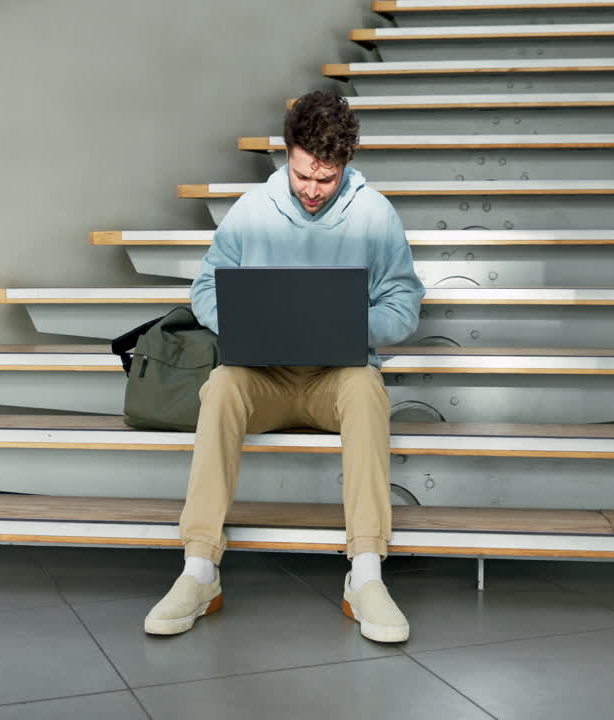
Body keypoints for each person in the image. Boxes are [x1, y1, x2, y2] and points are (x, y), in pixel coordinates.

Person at [143, 89, 424, 643]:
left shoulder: (375, 214)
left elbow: (404, 303)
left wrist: (350, 325)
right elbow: (205, 288)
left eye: (327, 178)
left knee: (367, 387)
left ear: (347, 163)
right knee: (222, 385)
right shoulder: (252, 211)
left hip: (335, 378)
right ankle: (199, 568)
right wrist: (247, 319)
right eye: (303, 176)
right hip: (265, 376)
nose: (314, 191)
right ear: (287, 154)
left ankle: (365, 572)